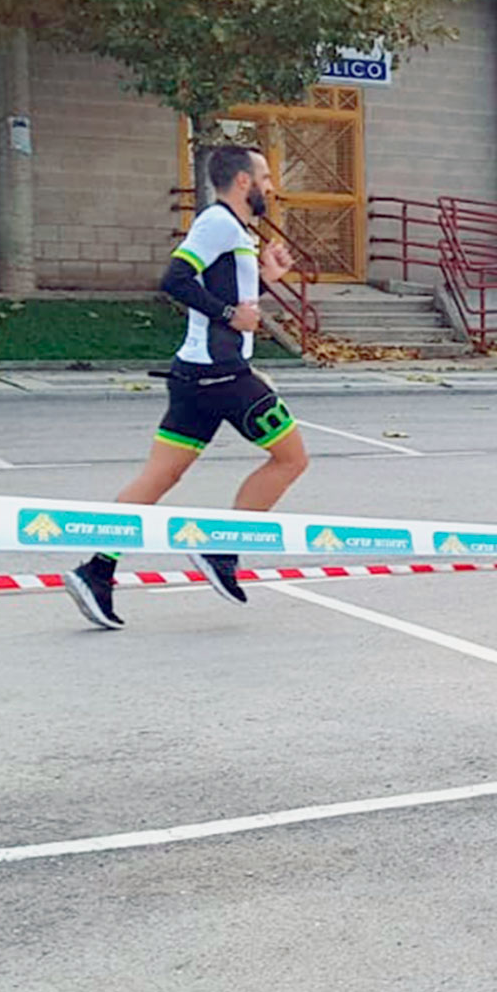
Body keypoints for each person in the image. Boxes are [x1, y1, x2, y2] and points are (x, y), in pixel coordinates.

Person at [63, 146, 310, 629]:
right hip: (222, 375)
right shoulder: (218, 223)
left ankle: (96, 570)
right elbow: (175, 279)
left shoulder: (236, 232)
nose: (271, 186)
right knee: (292, 458)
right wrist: (229, 315)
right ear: (242, 181)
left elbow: (228, 301)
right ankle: (221, 548)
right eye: (264, 177)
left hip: (198, 373)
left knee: (160, 476)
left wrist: (263, 279)